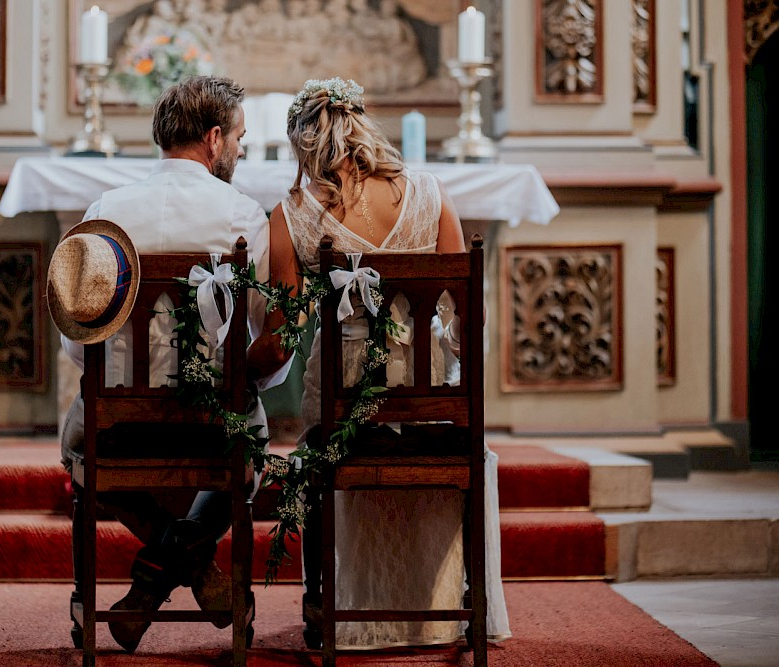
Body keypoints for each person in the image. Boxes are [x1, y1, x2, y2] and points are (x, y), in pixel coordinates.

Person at [261, 77, 512, 648]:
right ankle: (444, 604)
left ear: (304, 144)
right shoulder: (429, 192)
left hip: (342, 408)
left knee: (319, 422)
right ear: (362, 127)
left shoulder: (294, 215)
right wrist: (451, 378)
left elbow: (285, 332)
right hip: (425, 402)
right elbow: (465, 318)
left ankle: (325, 606)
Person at [53, 75, 285, 653]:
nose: (239, 151)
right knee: (250, 448)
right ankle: (192, 562)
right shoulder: (244, 217)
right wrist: (244, 378)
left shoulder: (105, 211)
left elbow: (79, 344)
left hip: (117, 428)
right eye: (238, 139)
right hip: (214, 428)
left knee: (79, 449)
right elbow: (269, 342)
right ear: (213, 140)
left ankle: (156, 568)